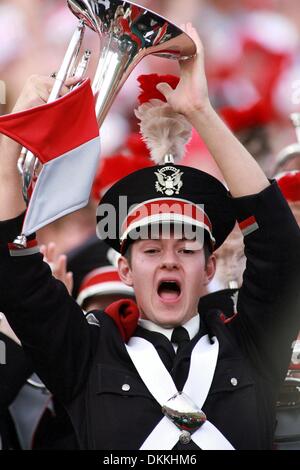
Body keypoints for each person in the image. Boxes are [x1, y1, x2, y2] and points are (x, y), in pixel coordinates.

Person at [0, 23, 300, 450]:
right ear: (124, 267)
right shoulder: (86, 353)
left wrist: (200, 111)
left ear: (209, 267)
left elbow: (281, 245)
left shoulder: (250, 342)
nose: (169, 260)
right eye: (152, 249)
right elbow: (14, 273)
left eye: (187, 248)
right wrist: (10, 140)